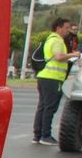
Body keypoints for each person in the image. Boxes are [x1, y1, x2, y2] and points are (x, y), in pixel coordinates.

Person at [32, 16, 79, 146]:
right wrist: (73, 55)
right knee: (50, 107)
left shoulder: (50, 39)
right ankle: (45, 135)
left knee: (42, 106)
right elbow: (59, 57)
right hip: (52, 78)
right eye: (66, 28)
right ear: (58, 28)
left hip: (44, 76)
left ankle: (38, 135)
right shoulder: (57, 41)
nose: (68, 31)